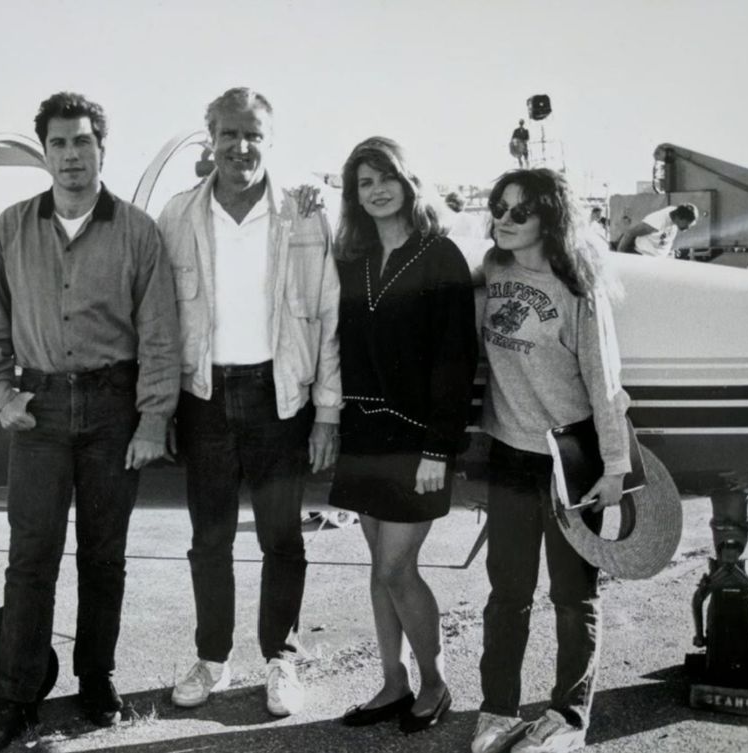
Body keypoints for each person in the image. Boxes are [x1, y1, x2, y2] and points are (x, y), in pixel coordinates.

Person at [0, 92, 180, 753]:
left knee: (103, 556)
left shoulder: (138, 231)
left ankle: (96, 679)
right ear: (45, 154)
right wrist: (3, 396)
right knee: (30, 559)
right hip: (40, 412)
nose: (71, 155)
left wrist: (153, 420)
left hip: (114, 410)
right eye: (58, 144)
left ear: (101, 149)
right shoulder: (11, 229)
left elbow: (160, 335)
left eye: (82, 141)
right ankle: (16, 696)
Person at [157, 87, 341, 717]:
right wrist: (162, 407)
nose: (241, 146)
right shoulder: (177, 215)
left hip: (278, 398)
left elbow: (328, 318)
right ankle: (212, 658)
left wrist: (327, 412)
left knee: (281, 539)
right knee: (209, 540)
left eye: (254, 134)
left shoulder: (305, 214)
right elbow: (160, 319)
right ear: (210, 138)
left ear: (270, 138)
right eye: (230, 134)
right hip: (203, 398)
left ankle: (280, 658)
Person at [473, 168, 631, 753]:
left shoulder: (578, 290)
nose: (504, 219)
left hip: (572, 459)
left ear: (550, 219)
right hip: (510, 454)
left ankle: (568, 718)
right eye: (499, 207)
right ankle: (497, 712)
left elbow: (605, 382)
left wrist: (614, 466)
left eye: (521, 211)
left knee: (572, 595)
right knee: (506, 594)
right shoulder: (492, 271)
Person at [330, 137, 478, 734]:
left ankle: (435, 684)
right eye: (364, 183)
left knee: (397, 568)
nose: (376, 191)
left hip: (419, 439)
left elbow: (455, 358)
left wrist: (439, 447)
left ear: (408, 182)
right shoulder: (355, 258)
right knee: (378, 566)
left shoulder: (439, 255)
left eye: (385, 177)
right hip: (364, 431)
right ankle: (393, 684)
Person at [616, 203, 697, 257]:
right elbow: (629, 234)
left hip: (658, 259)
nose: (688, 227)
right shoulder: (657, 221)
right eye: (688, 224)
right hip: (643, 257)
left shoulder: (675, 213)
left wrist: (668, 250)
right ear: (679, 218)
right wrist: (619, 258)